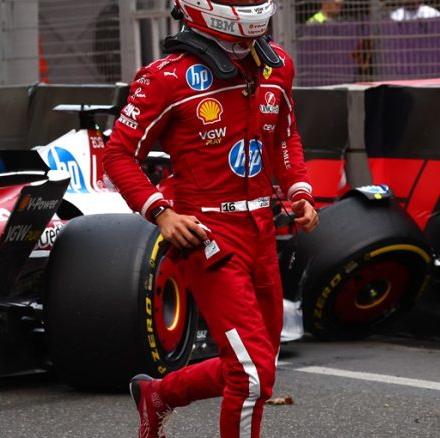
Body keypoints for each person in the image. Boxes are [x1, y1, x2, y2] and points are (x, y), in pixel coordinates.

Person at [102, 1, 319, 437]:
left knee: (257, 365)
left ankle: (158, 395)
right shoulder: (164, 77)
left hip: (262, 232)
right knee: (253, 374)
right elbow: (118, 154)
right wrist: (161, 214)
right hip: (206, 234)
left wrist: (298, 190)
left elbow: (285, 138)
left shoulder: (278, 67)